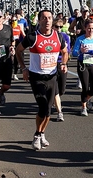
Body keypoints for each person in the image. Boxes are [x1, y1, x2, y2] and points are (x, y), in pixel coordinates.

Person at [15, 9, 69, 151]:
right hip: (36, 77)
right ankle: (37, 135)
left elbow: (65, 52)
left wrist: (63, 64)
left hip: (52, 76)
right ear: (39, 21)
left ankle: (41, 133)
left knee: (49, 111)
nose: (47, 20)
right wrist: (24, 68)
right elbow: (18, 50)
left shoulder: (59, 36)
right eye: (44, 18)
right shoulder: (32, 37)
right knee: (43, 107)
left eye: (49, 18)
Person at [72, 19, 93, 116]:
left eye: (92, 28)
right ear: (85, 28)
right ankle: (84, 107)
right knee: (85, 87)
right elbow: (73, 53)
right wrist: (80, 51)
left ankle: (87, 99)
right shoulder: (80, 39)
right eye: (89, 28)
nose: (90, 30)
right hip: (83, 64)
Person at [52, 18, 71, 121]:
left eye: (60, 27)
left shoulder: (65, 37)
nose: (58, 29)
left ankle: (52, 101)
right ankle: (59, 112)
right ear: (52, 27)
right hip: (52, 64)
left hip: (62, 63)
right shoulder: (49, 37)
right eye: (56, 27)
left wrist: (64, 63)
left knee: (62, 89)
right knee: (55, 89)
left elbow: (66, 51)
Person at [11, 15, 25, 81]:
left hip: (18, 44)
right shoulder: (9, 27)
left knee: (18, 59)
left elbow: (23, 34)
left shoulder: (19, 26)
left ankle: (15, 74)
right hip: (11, 44)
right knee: (11, 60)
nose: (14, 21)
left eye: (15, 20)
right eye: (12, 20)